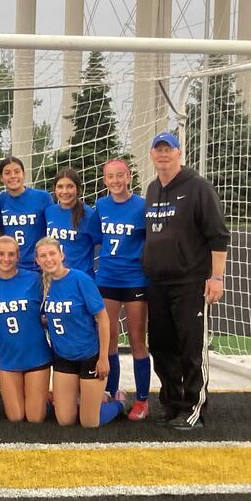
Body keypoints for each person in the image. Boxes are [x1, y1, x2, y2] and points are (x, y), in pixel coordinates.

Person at [143, 131, 229, 431]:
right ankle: (172, 402)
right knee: (162, 345)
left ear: (179, 153)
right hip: (156, 283)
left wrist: (216, 277)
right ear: (152, 155)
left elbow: (218, 236)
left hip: (189, 282)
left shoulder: (198, 187)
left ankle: (194, 408)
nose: (163, 154)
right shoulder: (153, 189)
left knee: (191, 347)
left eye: (169, 149)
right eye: (158, 150)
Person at [35, 236, 125, 428]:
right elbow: (45, 317)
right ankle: (79, 401)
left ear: (61, 255)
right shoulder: (42, 285)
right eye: (43, 256)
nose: (48, 259)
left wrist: (103, 357)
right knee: (65, 421)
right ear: (37, 260)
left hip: (89, 355)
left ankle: (119, 404)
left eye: (52, 254)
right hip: (63, 357)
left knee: (89, 423)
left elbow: (103, 319)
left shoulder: (80, 279)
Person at [95, 159, 151, 421]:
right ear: (104, 180)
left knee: (138, 340)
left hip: (135, 280)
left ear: (128, 177)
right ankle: (111, 390)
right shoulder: (101, 206)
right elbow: (95, 237)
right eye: (110, 177)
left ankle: (142, 400)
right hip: (107, 278)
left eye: (120, 176)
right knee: (109, 339)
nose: (115, 181)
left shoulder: (141, 206)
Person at [0, 235, 51, 423]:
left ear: (18, 256)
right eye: (1, 254)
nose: (5, 259)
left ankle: (116, 403)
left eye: (11, 254)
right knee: (15, 417)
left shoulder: (34, 279)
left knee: (35, 419)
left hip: (36, 354)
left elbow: (52, 309)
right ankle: (37, 395)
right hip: (7, 357)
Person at [0, 156, 54, 272]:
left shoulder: (42, 197)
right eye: (7, 173)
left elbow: (53, 229)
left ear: (24, 174)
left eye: (17, 172)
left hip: (39, 266)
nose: (13, 176)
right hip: (10, 266)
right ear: (1, 178)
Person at [44, 168, 100, 278]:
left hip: (80, 279)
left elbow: (100, 245)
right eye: (60, 186)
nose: (64, 191)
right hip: (54, 277)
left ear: (77, 189)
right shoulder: (49, 211)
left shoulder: (89, 215)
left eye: (70, 186)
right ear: (54, 189)